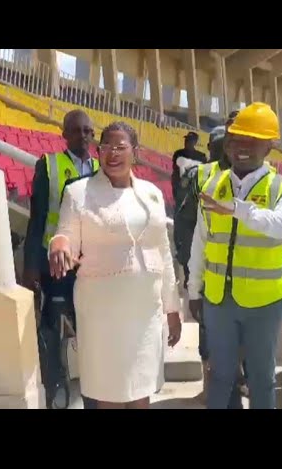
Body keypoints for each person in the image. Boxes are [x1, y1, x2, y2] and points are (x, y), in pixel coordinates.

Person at [49, 121, 182, 409]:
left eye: (120, 147)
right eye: (105, 147)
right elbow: (67, 234)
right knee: (108, 391)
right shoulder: (80, 192)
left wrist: (172, 308)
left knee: (141, 388)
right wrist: (59, 244)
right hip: (102, 313)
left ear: (135, 151)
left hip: (145, 312)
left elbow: (162, 252)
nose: (112, 153)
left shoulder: (152, 194)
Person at [187, 103, 282, 409]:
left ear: (269, 146)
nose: (241, 148)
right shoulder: (213, 185)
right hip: (219, 299)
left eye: (252, 141)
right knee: (221, 375)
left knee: (262, 379)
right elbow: (201, 241)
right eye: (236, 140)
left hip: (264, 303)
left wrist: (238, 209)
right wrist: (194, 289)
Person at [23, 109, 99, 409]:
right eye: (77, 130)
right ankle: (56, 390)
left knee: (89, 330)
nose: (83, 136)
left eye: (88, 131)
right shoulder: (50, 165)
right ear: (65, 134)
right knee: (52, 331)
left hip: (90, 266)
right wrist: (30, 266)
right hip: (55, 265)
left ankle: (94, 393)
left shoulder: (101, 168)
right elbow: (38, 216)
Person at [174, 113, 242, 408]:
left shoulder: (251, 176)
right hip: (210, 275)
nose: (222, 151)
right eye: (218, 146)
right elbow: (185, 226)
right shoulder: (199, 176)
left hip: (244, 276)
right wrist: (192, 273)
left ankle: (236, 385)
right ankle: (210, 387)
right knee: (208, 335)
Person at [171, 131, 206, 202]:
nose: (186, 142)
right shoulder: (178, 153)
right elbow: (175, 168)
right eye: (186, 140)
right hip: (179, 184)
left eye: (190, 140)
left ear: (195, 142)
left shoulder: (200, 157)